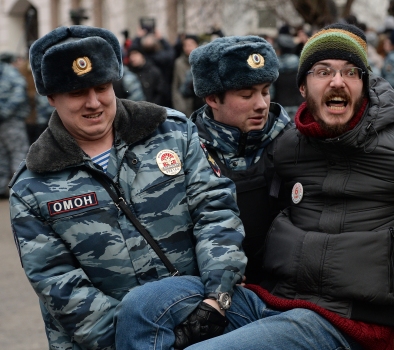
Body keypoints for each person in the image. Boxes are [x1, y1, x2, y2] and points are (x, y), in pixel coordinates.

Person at [123, 23, 394, 350]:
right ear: (302, 87)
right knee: (143, 307)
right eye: (322, 71)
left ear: (365, 85)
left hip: (345, 322)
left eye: (351, 72)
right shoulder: (289, 145)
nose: (337, 81)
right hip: (273, 301)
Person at [9, 26, 246, 349]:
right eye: (77, 93)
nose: (94, 103)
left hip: (206, 326)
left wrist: (216, 301)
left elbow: (216, 211)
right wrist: (143, 338)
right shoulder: (32, 185)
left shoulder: (171, 132)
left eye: (102, 87)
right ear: (51, 97)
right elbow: (58, 283)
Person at [188, 36, 292, 285]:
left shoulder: (294, 144)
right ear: (212, 98)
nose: (261, 105)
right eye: (246, 95)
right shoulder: (187, 154)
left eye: (265, 92)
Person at [0, 60, 30, 198]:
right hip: (7, 122)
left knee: (13, 154)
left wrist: (4, 112)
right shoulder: (8, 73)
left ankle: (16, 188)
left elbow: (19, 94)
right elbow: (19, 94)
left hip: (10, 121)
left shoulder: (9, 73)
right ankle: (10, 189)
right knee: (8, 156)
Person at [172, 35, 199, 116]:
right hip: (184, 106)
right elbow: (175, 86)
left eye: (191, 44)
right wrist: (180, 106)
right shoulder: (179, 63)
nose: (188, 47)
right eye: (185, 45)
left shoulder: (202, 62)